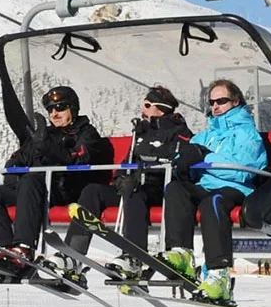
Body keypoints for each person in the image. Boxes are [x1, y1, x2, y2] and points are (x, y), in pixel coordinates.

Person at [61, 86, 192, 280]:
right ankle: (73, 254)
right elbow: (126, 162)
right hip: (133, 185)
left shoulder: (178, 131)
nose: (143, 109)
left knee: (134, 192)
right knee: (92, 191)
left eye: (148, 105)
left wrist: (138, 176)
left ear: (161, 109)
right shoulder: (140, 132)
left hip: (159, 187)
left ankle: (134, 257)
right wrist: (120, 177)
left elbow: (176, 160)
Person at [156, 79, 267, 304]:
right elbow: (190, 151)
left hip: (235, 188)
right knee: (176, 188)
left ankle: (219, 275)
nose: (215, 106)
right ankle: (181, 253)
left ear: (236, 102)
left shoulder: (247, 134)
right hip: (205, 185)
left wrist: (205, 158)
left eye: (221, 101)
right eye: (212, 102)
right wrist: (183, 160)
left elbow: (242, 170)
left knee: (213, 202)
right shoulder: (208, 134)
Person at [0, 86, 105, 278]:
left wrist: (48, 146)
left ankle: (25, 248)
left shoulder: (86, 133)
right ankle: (6, 249)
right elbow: (15, 161)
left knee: (31, 180)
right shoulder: (44, 134)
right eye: (50, 109)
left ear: (73, 108)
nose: (54, 113)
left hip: (65, 190)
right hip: (32, 191)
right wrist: (18, 165)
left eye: (60, 107)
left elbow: (79, 159)